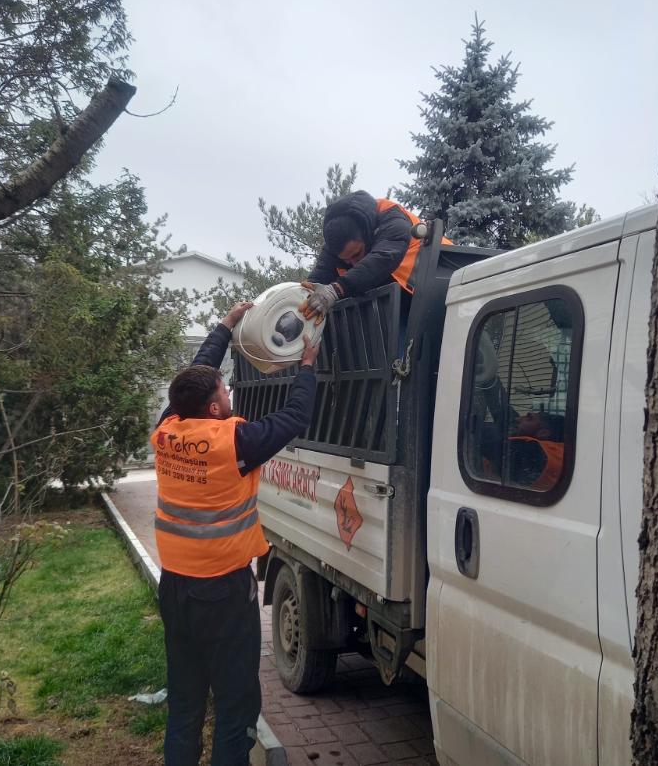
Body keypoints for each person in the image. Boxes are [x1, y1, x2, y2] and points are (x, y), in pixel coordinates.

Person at [151, 301, 320, 766]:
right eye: (225, 391)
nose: (229, 395)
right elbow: (295, 417)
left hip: (175, 588)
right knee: (235, 700)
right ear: (214, 406)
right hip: (223, 593)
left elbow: (196, 374)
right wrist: (307, 366)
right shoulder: (235, 444)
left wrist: (225, 326)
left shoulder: (166, 430)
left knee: (185, 696)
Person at [299, 190, 452, 322]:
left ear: (367, 233)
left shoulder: (391, 216)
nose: (353, 263)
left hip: (444, 286)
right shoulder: (334, 246)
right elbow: (315, 282)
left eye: (356, 254)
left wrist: (337, 289)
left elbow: (383, 258)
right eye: (346, 260)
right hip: (399, 306)